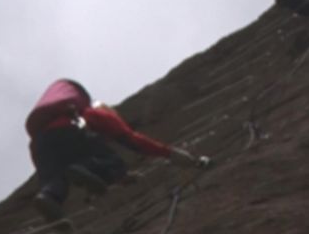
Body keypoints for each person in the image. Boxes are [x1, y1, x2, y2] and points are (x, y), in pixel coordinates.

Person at [26, 78, 210, 221]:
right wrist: (172, 154)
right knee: (110, 159)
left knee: (56, 178)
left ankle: (49, 198)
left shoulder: (51, 119)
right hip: (67, 133)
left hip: (39, 146)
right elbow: (134, 141)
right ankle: (84, 169)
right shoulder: (95, 115)